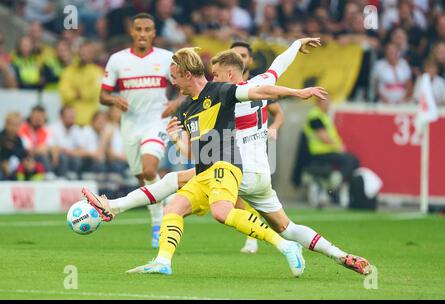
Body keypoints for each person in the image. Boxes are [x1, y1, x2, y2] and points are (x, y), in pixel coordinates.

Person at [84, 45, 369, 277]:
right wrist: (296, 45)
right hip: (253, 175)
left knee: (186, 189)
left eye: (218, 72)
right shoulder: (203, 102)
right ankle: (341, 255)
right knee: (283, 224)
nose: (214, 76)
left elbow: (262, 91)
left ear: (230, 73)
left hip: (234, 168)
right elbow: (276, 69)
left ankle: (114, 206)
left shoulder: (226, 92)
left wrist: (298, 93)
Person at [99, 13, 184, 248]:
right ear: (132, 32)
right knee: (143, 180)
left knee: (149, 170)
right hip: (130, 125)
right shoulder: (117, 60)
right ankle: (162, 210)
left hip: (156, 122)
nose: (143, 34)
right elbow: (103, 95)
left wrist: (175, 104)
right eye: (139, 29)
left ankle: (159, 222)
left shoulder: (167, 58)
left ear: (154, 33)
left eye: (148, 29)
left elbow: (186, 86)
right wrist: (115, 100)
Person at [230, 40, 285, 254]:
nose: (240, 59)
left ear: (250, 60)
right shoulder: (224, 87)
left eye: (243, 55)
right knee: (235, 196)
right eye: (235, 55)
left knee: (246, 192)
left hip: (255, 147)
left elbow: (279, 113)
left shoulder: (259, 87)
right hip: (229, 144)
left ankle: (254, 237)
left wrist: (274, 128)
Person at [303, 96, 360, 206]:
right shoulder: (315, 116)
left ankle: (338, 184)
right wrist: (338, 147)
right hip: (319, 152)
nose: (328, 104)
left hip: (328, 151)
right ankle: (335, 184)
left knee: (353, 159)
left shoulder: (324, 116)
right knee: (349, 160)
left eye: (329, 101)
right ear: (318, 102)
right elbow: (323, 136)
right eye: (325, 101)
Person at [59, 40, 103, 126]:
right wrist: (84, 93)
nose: (84, 55)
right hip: (70, 122)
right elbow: (64, 92)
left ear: (92, 54)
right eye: (82, 52)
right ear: (77, 53)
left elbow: (97, 92)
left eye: (87, 52)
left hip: (90, 122)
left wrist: (77, 93)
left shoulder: (98, 72)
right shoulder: (68, 71)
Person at [48, 106, 84, 179]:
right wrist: (64, 151)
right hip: (56, 157)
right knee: (63, 157)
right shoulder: (53, 128)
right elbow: (51, 147)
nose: (72, 118)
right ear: (61, 117)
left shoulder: (76, 129)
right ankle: (60, 178)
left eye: (73, 116)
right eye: (69, 116)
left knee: (77, 159)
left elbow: (82, 149)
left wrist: (69, 151)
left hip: (70, 155)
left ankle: (73, 178)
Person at [0, 112, 27, 180]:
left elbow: (22, 155)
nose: (14, 127)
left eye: (17, 125)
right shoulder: (1, 137)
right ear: (6, 124)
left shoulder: (19, 140)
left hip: (16, 169)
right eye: (12, 124)